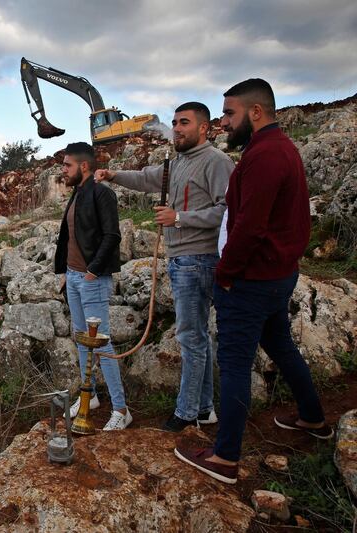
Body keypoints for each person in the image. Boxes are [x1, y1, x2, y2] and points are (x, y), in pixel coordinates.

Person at [174, 79, 332, 485]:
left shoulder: (264, 156)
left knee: (235, 364)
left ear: (255, 112)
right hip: (277, 275)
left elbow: (249, 226)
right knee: (280, 344)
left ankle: (225, 456)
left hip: (252, 279)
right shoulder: (280, 149)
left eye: (229, 113)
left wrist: (226, 275)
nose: (224, 121)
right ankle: (312, 415)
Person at [95, 102, 233, 432]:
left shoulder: (216, 162)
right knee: (196, 336)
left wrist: (179, 218)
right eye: (174, 122)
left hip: (198, 260)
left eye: (184, 122)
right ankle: (204, 409)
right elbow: (146, 178)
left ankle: (185, 414)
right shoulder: (177, 162)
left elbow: (228, 212)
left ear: (204, 127)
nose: (177, 128)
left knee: (190, 339)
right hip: (181, 260)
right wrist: (114, 175)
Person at [55, 141, 132, 431]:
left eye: (67, 165)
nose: (63, 170)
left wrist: (92, 272)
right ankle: (91, 398)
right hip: (74, 278)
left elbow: (112, 235)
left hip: (91, 279)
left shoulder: (102, 193)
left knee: (102, 342)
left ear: (83, 166)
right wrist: (67, 272)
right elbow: (71, 238)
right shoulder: (77, 194)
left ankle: (122, 409)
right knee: (80, 338)